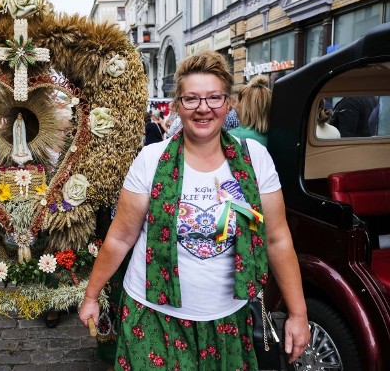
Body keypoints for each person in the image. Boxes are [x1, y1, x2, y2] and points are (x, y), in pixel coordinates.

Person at [79, 51, 310, 369]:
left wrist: (298, 314)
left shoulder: (254, 158)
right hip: (153, 317)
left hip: (226, 321)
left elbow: (277, 239)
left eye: (214, 97)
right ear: (177, 106)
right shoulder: (151, 160)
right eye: (191, 99)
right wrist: (92, 296)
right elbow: (120, 237)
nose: (203, 108)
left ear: (228, 104)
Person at [228, 74, 272, 146]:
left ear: (244, 107)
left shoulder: (231, 137)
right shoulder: (280, 136)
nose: (235, 107)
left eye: (238, 101)